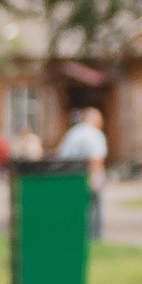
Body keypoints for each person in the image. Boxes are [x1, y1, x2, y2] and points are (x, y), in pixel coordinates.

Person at [55, 101, 109, 239]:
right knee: (95, 208)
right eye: (100, 118)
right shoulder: (95, 134)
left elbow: (61, 154)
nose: (102, 122)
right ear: (94, 119)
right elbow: (96, 159)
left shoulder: (73, 133)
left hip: (70, 176)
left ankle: (74, 233)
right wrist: (96, 179)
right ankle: (95, 237)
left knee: (76, 207)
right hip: (89, 175)